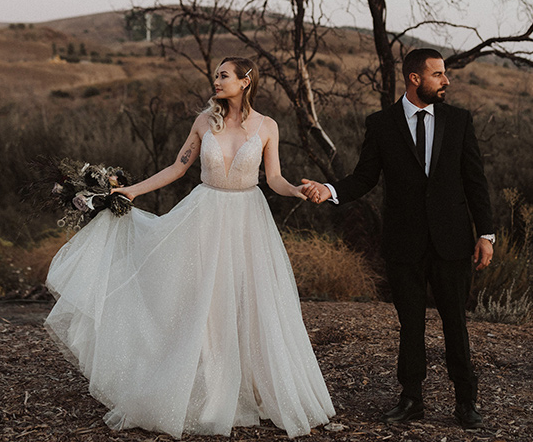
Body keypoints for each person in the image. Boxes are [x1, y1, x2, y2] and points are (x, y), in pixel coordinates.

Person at [45, 56, 335, 439]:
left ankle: (256, 386)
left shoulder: (267, 126)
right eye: (216, 75)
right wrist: (131, 190)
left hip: (248, 219)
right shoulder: (204, 121)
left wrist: (299, 190)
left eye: (225, 75)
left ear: (246, 81)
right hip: (206, 214)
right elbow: (178, 168)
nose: (216, 80)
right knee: (204, 301)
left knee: (253, 301)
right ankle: (211, 392)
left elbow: (275, 178)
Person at [301, 48, 494, 430]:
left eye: (444, 74)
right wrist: (329, 189)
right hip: (404, 243)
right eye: (438, 74)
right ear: (414, 78)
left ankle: (465, 402)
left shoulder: (458, 121)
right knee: (411, 324)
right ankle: (411, 399)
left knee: (455, 322)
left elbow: (475, 181)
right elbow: (364, 177)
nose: (446, 81)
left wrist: (486, 234)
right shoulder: (382, 124)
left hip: (452, 241)